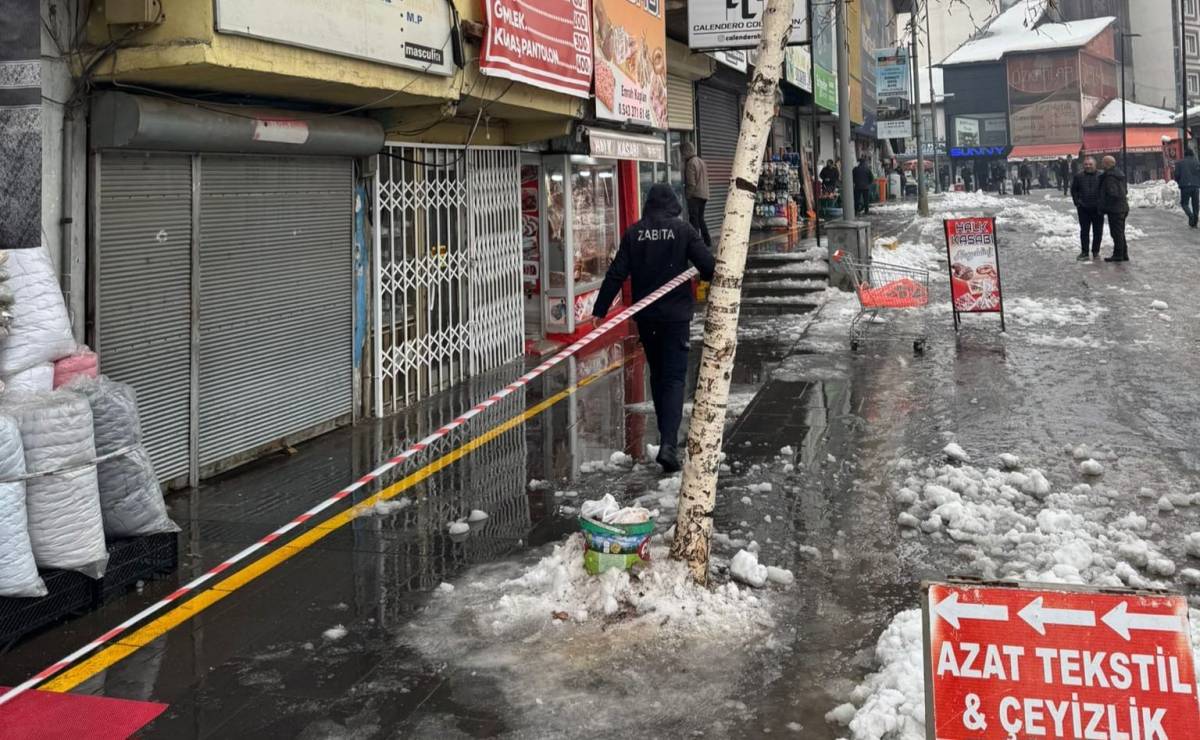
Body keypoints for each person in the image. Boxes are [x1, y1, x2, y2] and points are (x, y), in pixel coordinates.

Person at [592, 184, 715, 472]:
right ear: (673, 205)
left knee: (658, 375)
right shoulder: (683, 230)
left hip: (647, 318)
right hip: (675, 319)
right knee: (673, 378)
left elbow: (616, 273)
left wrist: (600, 311)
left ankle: (666, 439)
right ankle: (669, 444)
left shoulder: (635, 233)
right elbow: (709, 267)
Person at [1070, 157, 1104, 261]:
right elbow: (1074, 190)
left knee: (1098, 231)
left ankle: (1095, 252)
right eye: (1086, 164)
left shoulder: (1101, 175)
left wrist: (1103, 203)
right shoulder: (1078, 176)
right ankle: (1084, 252)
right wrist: (1077, 202)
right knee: (1084, 231)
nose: (1088, 166)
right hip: (1083, 208)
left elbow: (1105, 189)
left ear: (1095, 165)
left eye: (1090, 164)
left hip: (1098, 208)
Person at [680, 141, 712, 247]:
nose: (682, 156)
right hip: (704, 194)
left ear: (686, 151)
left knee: (694, 220)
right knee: (700, 218)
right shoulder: (701, 161)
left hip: (695, 195)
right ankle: (707, 241)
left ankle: (695, 243)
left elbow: (691, 183)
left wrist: (688, 196)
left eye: (682, 153)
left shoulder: (690, 163)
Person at [1098, 155, 1129, 263]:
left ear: (1107, 164)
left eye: (1103, 163)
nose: (1101, 165)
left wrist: (1106, 206)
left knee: (1116, 233)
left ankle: (1118, 254)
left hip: (1115, 209)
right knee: (1120, 232)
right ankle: (1123, 253)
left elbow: (1113, 193)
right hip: (1122, 207)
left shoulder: (1110, 177)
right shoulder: (1119, 174)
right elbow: (1125, 191)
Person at [1173, 147, 1200, 228]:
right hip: (1196, 186)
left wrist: (1179, 182)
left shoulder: (1179, 163)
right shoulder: (1197, 162)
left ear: (1185, 154)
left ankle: (1190, 216)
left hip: (1185, 186)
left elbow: (1176, 175)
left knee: (1184, 203)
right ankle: (1195, 221)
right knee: (1196, 204)